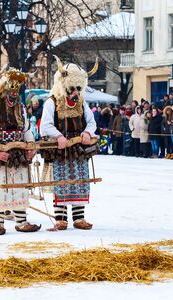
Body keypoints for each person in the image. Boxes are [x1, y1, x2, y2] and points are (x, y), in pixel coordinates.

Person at [0, 68, 40, 235]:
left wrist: (31, 146)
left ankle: (21, 222)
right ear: (3, 89)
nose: (13, 95)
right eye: (10, 91)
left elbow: (26, 128)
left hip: (18, 151)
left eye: (16, 91)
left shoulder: (20, 106)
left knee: (19, 185)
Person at [40, 56, 98, 231]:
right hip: (60, 148)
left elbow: (91, 121)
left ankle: (79, 218)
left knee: (80, 181)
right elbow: (45, 125)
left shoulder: (82, 103)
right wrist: (58, 136)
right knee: (61, 181)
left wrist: (87, 132)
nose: (75, 93)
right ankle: (61, 218)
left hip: (79, 147)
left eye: (78, 89)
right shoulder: (52, 102)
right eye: (72, 88)